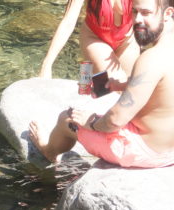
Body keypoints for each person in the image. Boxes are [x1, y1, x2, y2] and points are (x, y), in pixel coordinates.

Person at [29, 0, 174, 169]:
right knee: (124, 90)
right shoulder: (163, 53)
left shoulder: (150, 59)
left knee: (67, 118)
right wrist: (120, 85)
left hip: (143, 152)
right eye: (134, 12)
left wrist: (89, 121)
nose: (136, 19)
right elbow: (155, 84)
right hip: (170, 152)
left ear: (168, 14)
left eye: (146, 13)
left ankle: (49, 151)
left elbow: (114, 120)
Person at [39, 0, 140, 83]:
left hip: (127, 41)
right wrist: (47, 64)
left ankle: (87, 84)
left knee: (131, 88)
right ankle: (88, 82)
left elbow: (152, 12)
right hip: (95, 39)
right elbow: (68, 21)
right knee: (115, 84)